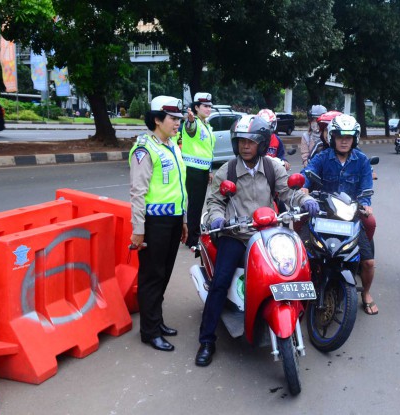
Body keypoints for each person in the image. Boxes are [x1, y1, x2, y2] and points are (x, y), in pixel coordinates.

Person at [195, 115, 318, 367]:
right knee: (220, 283)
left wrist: (305, 200)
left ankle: (287, 317)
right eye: (241, 141)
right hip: (236, 235)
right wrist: (217, 218)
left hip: (267, 235)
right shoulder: (227, 170)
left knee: (290, 271)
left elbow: (287, 192)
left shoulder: (273, 167)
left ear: (262, 143)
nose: (245, 146)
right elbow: (215, 202)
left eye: (251, 141)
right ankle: (206, 340)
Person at [301, 114, 379, 315]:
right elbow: (307, 174)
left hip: (350, 216)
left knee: (368, 262)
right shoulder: (321, 157)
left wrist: (365, 205)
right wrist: (303, 187)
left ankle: (366, 293)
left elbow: (366, 189)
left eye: (348, 137)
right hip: (322, 213)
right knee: (300, 252)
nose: (344, 141)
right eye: (340, 137)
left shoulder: (361, 160)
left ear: (355, 139)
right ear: (332, 137)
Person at [129, 95, 188, 352]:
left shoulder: (172, 146)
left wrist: (183, 220)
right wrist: (138, 229)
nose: (177, 123)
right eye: (173, 119)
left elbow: (179, 187)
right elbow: (137, 193)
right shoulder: (144, 149)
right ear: (157, 120)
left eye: (178, 119)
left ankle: (157, 320)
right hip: (154, 224)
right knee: (152, 277)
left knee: (163, 275)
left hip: (173, 221)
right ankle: (149, 331)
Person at [181, 92, 216, 249]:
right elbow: (190, 128)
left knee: (197, 204)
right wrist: (190, 120)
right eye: (205, 106)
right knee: (195, 206)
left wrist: (209, 170)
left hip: (202, 170)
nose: (208, 109)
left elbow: (208, 150)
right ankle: (192, 239)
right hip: (192, 170)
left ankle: (192, 234)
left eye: (210, 106)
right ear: (196, 107)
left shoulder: (206, 125)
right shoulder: (194, 123)